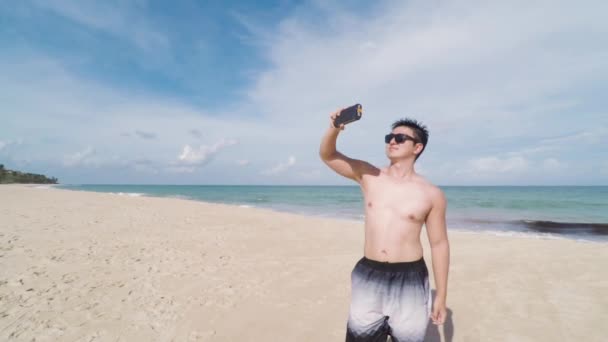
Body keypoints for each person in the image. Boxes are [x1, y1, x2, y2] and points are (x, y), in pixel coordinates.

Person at [319, 108, 450, 342]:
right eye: (389, 138)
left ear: (417, 147)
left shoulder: (432, 194)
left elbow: (439, 244)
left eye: (400, 138)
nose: (392, 141)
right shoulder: (369, 175)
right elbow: (328, 155)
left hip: (410, 278)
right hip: (369, 273)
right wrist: (334, 129)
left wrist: (441, 295)